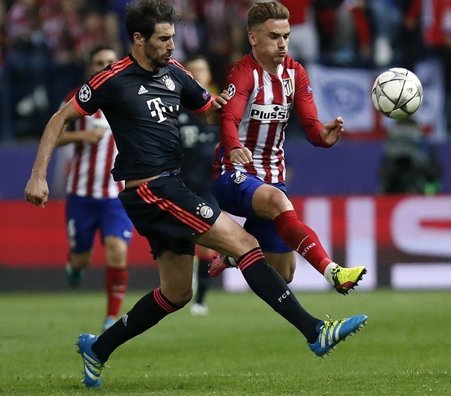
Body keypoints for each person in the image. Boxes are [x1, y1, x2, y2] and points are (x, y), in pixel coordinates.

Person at [24, 0, 367, 388]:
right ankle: (314, 331)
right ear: (138, 39)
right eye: (164, 39)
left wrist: (233, 108)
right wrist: (39, 175)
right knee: (244, 243)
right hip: (152, 188)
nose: (172, 46)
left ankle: (98, 349)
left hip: (168, 187)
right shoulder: (112, 78)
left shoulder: (175, 73)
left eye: (173, 37)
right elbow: (60, 118)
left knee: (177, 292)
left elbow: (209, 108)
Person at [209, 1, 366, 294]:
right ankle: (334, 273)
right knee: (280, 204)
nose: (282, 44)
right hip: (233, 173)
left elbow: (310, 125)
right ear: (253, 38)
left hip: (271, 179)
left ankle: (233, 251)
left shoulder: (296, 73)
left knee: (285, 273)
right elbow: (228, 117)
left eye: (286, 36)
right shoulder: (244, 72)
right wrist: (232, 147)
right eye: (274, 36)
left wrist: (323, 136)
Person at [57, 45, 131, 332]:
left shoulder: (129, 97)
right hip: (82, 194)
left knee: (117, 250)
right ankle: (74, 266)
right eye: (99, 62)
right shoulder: (76, 99)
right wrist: (82, 135)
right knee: (82, 257)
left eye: (111, 61)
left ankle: (111, 316)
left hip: (117, 195)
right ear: (90, 67)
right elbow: (54, 133)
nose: (105, 66)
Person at [178, 54, 221, 316]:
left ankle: (201, 298)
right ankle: (183, 287)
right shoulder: (175, 109)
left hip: (209, 185)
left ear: (208, 76)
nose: (196, 74)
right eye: (191, 71)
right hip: (180, 184)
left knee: (208, 243)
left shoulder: (219, 109)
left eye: (201, 69)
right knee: (182, 242)